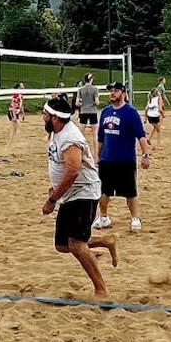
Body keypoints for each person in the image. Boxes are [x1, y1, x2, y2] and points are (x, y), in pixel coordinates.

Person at [41, 97, 117, 297]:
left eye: (46, 115)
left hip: (83, 193)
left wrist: (52, 199)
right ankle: (105, 241)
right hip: (70, 194)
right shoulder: (57, 131)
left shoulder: (70, 138)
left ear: (56, 118)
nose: (43, 117)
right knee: (62, 245)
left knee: (75, 244)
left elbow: (73, 171)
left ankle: (101, 290)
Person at [93, 82, 151, 232]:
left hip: (125, 159)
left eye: (116, 91)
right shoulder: (105, 112)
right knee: (104, 190)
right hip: (107, 159)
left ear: (123, 93)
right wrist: (97, 156)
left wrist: (145, 155)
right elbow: (100, 138)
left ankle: (135, 218)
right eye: (111, 91)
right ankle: (103, 217)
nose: (112, 93)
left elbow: (141, 136)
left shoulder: (130, 112)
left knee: (130, 191)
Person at [75, 73, 101, 153]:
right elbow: (97, 102)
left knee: (81, 134)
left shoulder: (80, 89)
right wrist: (91, 102)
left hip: (83, 112)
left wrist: (84, 103)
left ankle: (80, 152)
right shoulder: (94, 89)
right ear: (91, 79)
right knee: (95, 135)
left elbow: (77, 103)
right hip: (92, 112)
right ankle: (96, 155)